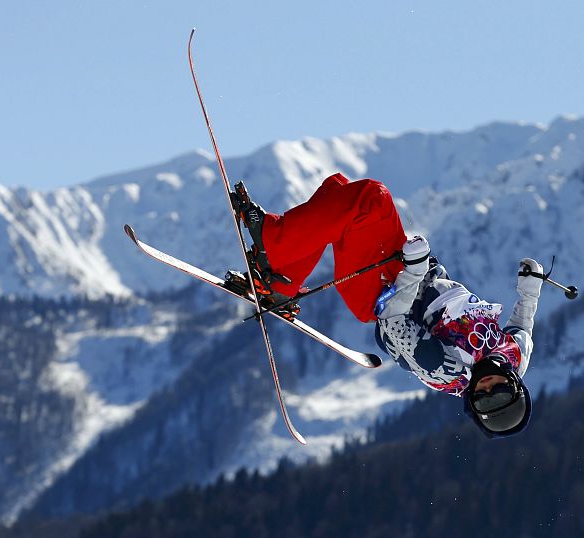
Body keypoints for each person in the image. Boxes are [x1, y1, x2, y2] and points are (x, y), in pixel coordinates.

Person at [229, 173, 543, 438]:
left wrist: (413, 272)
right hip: (408, 276)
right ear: (515, 385)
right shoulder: (515, 355)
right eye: (497, 394)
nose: (486, 388)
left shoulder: (445, 370)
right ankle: (280, 282)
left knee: (370, 200)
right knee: (337, 193)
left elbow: (393, 320)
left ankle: (273, 240)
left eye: (481, 401)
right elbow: (523, 324)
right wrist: (531, 289)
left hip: (381, 292)